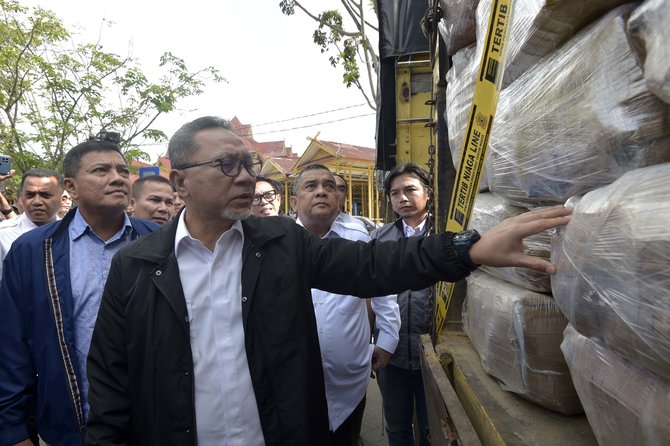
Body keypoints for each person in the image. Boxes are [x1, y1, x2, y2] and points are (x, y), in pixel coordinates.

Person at [85, 116, 571, 445]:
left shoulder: (279, 243)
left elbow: (372, 267)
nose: (245, 178)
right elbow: (110, 382)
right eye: (226, 165)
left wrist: (467, 247)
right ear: (179, 182)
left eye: (248, 165)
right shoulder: (136, 266)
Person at [0, 139, 157, 446]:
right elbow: (11, 343)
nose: (117, 177)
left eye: (123, 170)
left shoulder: (158, 242)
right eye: (101, 170)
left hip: (151, 421)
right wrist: (13, 429)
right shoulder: (33, 251)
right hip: (67, 423)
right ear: (70, 186)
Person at [291, 164, 400, 445]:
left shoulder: (359, 239)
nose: (322, 192)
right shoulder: (278, 245)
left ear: (339, 197)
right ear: (293, 202)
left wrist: (387, 339)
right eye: (311, 186)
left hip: (349, 377)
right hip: (294, 379)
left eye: (329, 186)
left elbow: (383, 291)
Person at [369, 163, 434, 445]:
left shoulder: (444, 236)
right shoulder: (379, 239)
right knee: (397, 427)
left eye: (410, 190)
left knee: (432, 427)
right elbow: (368, 294)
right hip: (391, 355)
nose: (402, 198)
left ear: (428, 194)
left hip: (433, 353)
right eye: (395, 193)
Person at [0, 168, 64, 281]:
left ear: (62, 199)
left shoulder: (72, 233)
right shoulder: (3, 234)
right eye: (30, 195)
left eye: (45, 195)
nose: (37, 202)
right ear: (21, 198)